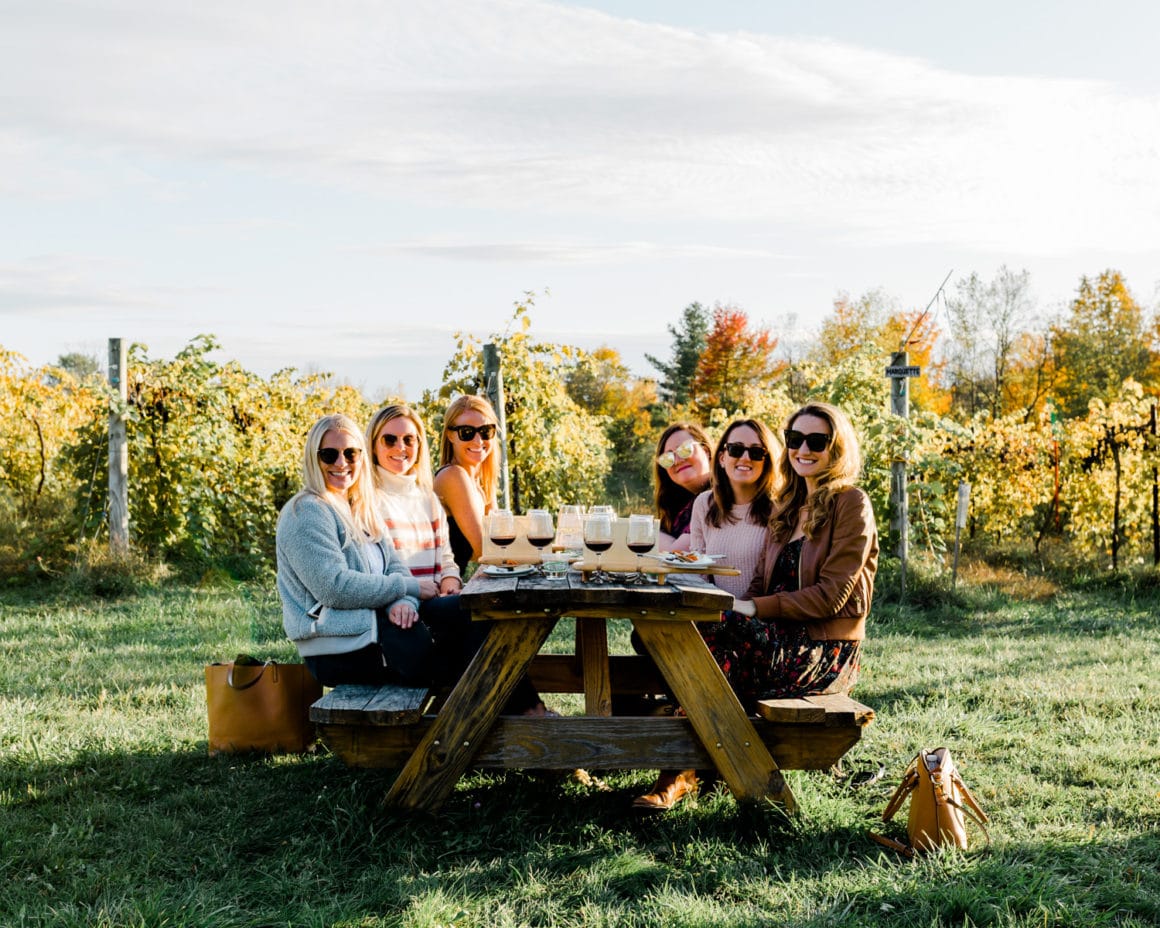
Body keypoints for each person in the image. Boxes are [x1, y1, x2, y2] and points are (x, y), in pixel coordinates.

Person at [634, 417, 780, 812]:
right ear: (722, 455)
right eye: (735, 450)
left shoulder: (779, 508)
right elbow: (694, 569)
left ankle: (676, 772)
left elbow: (769, 580)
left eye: (755, 451)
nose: (743, 458)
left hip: (757, 621)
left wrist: (732, 612)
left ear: (769, 459)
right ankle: (656, 749)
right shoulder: (705, 505)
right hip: (716, 615)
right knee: (657, 632)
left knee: (703, 646)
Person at [721, 401, 879, 710]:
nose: (803, 449)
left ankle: (695, 731)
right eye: (795, 439)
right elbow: (759, 583)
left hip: (820, 649)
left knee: (713, 633)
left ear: (836, 449)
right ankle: (693, 725)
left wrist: (751, 608)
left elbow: (830, 596)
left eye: (816, 442)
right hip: (773, 636)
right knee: (687, 628)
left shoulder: (851, 503)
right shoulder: (787, 508)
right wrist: (744, 606)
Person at [275, 413, 437, 687]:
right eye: (329, 454)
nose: (341, 463)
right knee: (458, 655)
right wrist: (407, 588)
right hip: (340, 649)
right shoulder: (306, 511)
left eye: (351, 453)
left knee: (464, 616)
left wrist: (403, 602)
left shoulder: (360, 508)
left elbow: (395, 567)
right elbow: (334, 587)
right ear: (314, 458)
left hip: (379, 632)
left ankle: (527, 715)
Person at [432, 394, 501, 574]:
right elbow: (484, 551)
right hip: (436, 591)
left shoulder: (481, 482)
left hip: (450, 586)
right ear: (450, 436)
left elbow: (499, 537)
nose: (478, 441)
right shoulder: (453, 476)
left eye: (486, 431)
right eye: (466, 432)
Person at [653, 422, 713, 551]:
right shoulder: (678, 510)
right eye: (668, 457)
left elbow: (680, 553)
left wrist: (646, 531)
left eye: (685, 449)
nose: (678, 460)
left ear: (706, 451)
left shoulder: (722, 497)